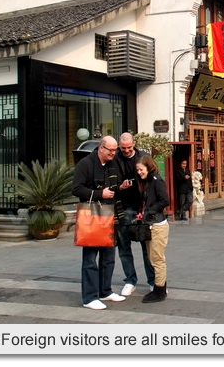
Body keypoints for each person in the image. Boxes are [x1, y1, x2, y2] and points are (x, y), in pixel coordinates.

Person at [72, 136, 126, 310]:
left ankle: (105, 290)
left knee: (109, 257)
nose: (113, 153)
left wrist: (121, 187)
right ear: (101, 148)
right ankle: (89, 297)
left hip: (110, 215)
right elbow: (76, 188)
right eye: (110, 150)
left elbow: (113, 186)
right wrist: (99, 194)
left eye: (115, 150)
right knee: (90, 259)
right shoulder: (85, 164)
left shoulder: (112, 164)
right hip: (92, 215)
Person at [113, 132, 154, 297]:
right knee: (123, 247)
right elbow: (110, 182)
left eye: (129, 147)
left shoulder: (143, 157)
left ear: (134, 144)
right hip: (122, 207)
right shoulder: (115, 158)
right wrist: (120, 187)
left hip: (141, 207)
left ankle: (152, 281)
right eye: (123, 148)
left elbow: (153, 179)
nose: (127, 150)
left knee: (147, 248)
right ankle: (130, 280)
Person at [135, 155, 170, 303]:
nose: (139, 172)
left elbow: (165, 200)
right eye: (137, 170)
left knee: (157, 259)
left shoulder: (157, 181)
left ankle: (160, 290)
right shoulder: (148, 182)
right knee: (152, 258)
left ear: (148, 167)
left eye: (141, 169)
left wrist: (149, 211)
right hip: (151, 224)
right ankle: (159, 287)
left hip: (158, 225)